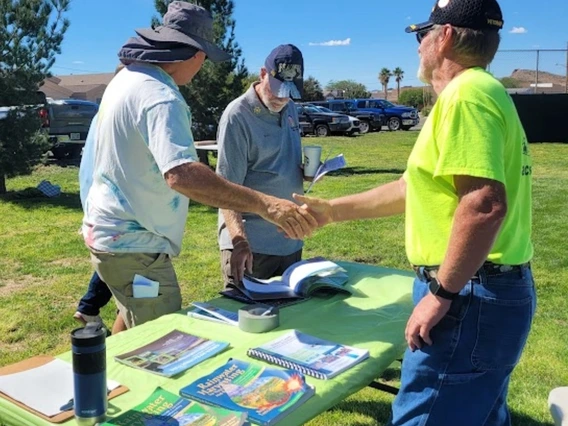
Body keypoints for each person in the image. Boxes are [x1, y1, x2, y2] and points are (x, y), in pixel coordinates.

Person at [295, 0, 535, 424]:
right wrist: (331, 210)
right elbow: (412, 188)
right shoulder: (482, 91)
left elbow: (483, 204)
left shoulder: (466, 96)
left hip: (468, 294)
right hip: (483, 290)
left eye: (421, 34)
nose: (418, 45)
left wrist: (442, 294)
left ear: (444, 37)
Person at [81, 2, 317, 335]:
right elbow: (182, 174)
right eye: (204, 57)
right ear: (195, 54)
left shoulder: (128, 79)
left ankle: (106, 380)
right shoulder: (161, 96)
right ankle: (104, 384)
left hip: (115, 236)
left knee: (133, 325)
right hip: (133, 244)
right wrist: (266, 205)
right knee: (162, 344)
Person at [216, 44, 309, 287]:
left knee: (290, 317)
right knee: (246, 319)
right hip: (251, 246)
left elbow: (279, 161)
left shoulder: (289, 108)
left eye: (290, 91)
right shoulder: (237, 115)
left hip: (290, 239)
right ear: (262, 74)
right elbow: (225, 188)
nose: (282, 97)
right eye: (278, 88)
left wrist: (305, 172)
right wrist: (239, 241)